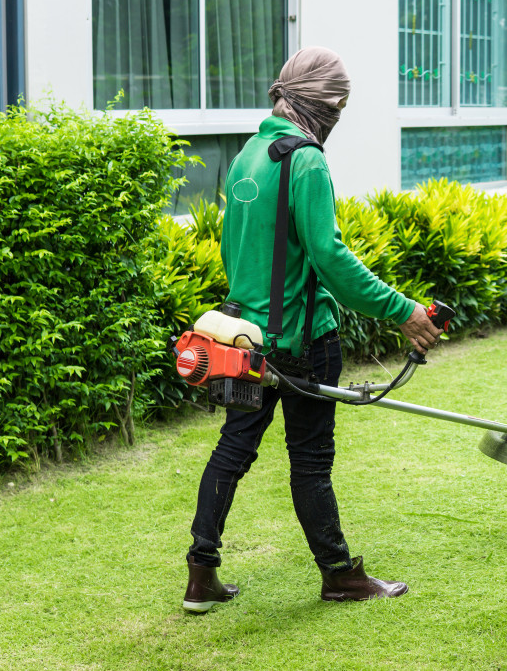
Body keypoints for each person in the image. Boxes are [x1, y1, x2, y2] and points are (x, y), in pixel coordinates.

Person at [181, 47, 442, 613]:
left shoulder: (249, 153)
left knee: (233, 450)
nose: (341, 115)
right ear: (327, 102)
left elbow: (235, 248)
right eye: (340, 104)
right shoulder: (306, 160)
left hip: (241, 338)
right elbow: (330, 258)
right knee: (311, 461)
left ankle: (201, 577)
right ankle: (340, 576)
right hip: (302, 342)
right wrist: (404, 311)